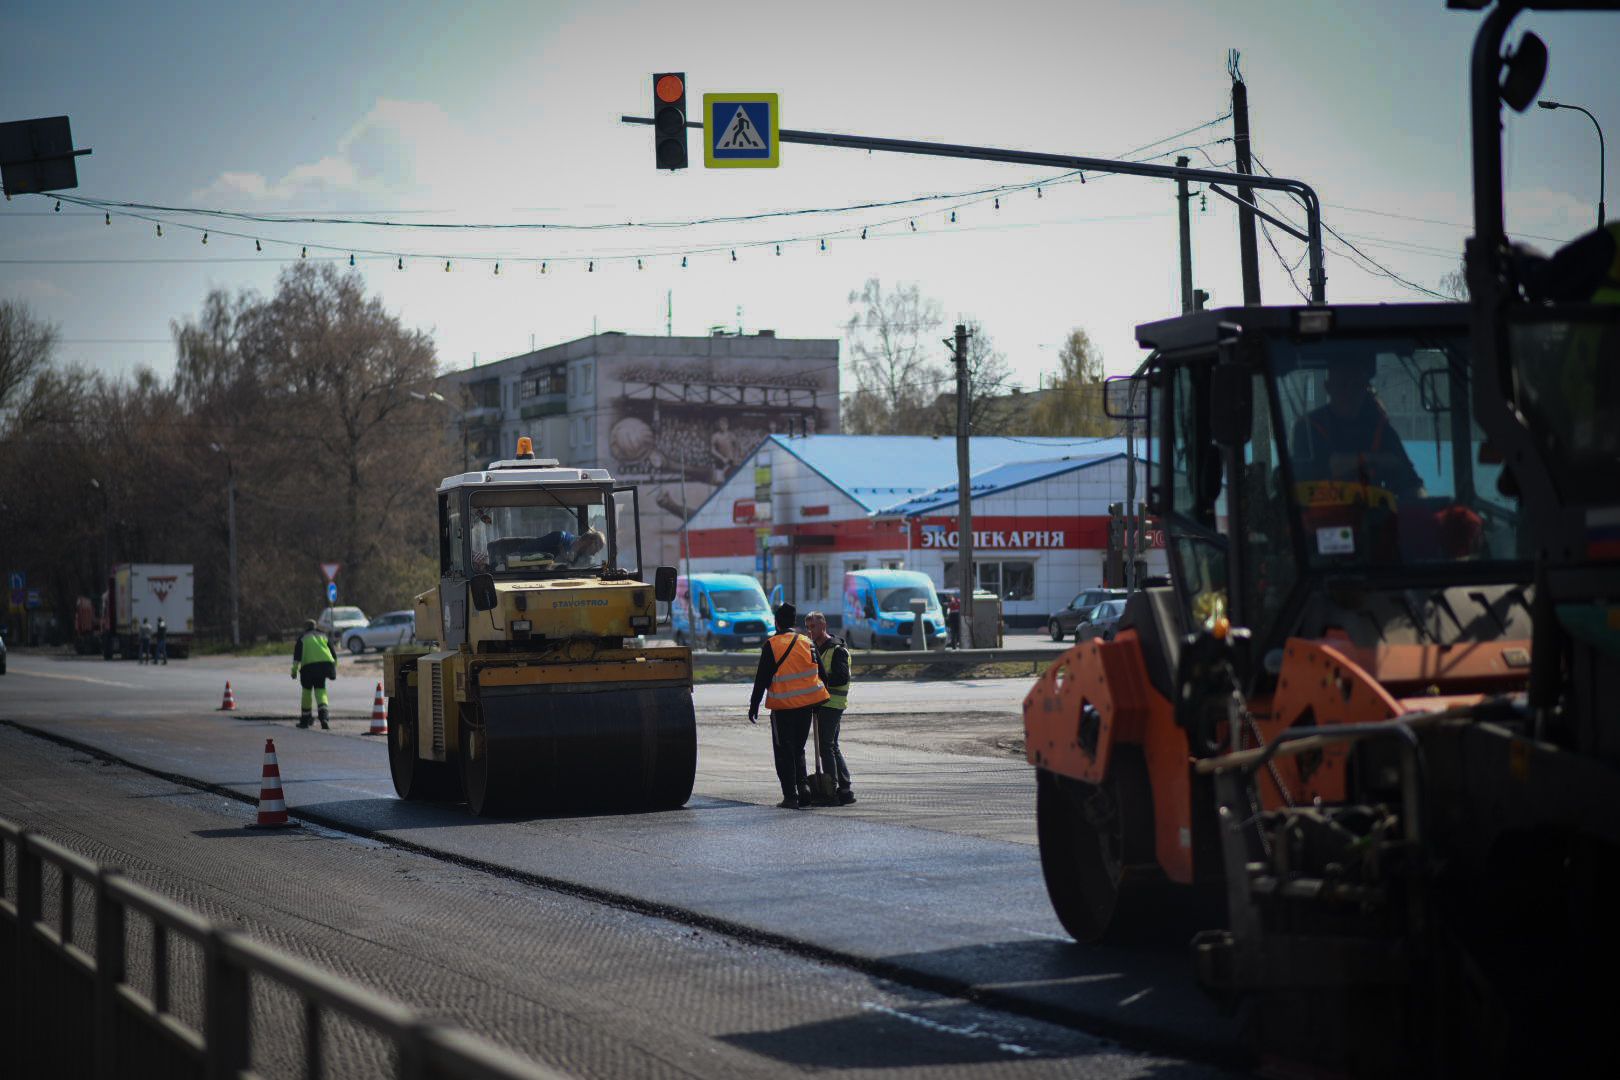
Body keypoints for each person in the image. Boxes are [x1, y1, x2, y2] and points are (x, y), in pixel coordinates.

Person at [1290, 356, 1425, 501]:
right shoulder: (1307, 428)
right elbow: (1307, 477)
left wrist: (1421, 509)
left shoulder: (1381, 430)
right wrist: (1373, 459)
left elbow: (1412, 484)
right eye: (1343, 384)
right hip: (1319, 517)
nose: (1349, 392)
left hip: (1374, 519)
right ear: (1328, 387)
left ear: (1366, 388)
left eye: (1357, 385)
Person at [747, 602, 829, 809]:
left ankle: (790, 796)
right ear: (793, 622)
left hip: (783, 708)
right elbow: (823, 675)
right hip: (806, 707)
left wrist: (754, 705)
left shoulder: (772, 645)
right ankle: (804, 790)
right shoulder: (807, 642)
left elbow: (761, 678)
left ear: (776, 622)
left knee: (784, 751)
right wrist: (818, 703)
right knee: (799, 749)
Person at [803, 611, 854, 805]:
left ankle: (831, 790)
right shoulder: (814, 648)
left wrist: (819, 681)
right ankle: (845, 788)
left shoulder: (837, 649)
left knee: (826, 747)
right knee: (832, 746)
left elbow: (842, 677)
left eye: (813, 627)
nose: (810, 631)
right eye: (807, 627)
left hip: (832, 704)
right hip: (823, 703)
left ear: (823, 626)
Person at [291, 618, 338, 729]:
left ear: (305, 627)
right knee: (321, 691)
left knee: (307, 693)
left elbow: (297, 658)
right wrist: (333, 669)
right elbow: (334, 655)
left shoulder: (302, 638)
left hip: (308, 668)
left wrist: (294, 671)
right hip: (323, 667)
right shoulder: (323, 635)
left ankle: (305, 721)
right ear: (315, 626)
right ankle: (324, 718)